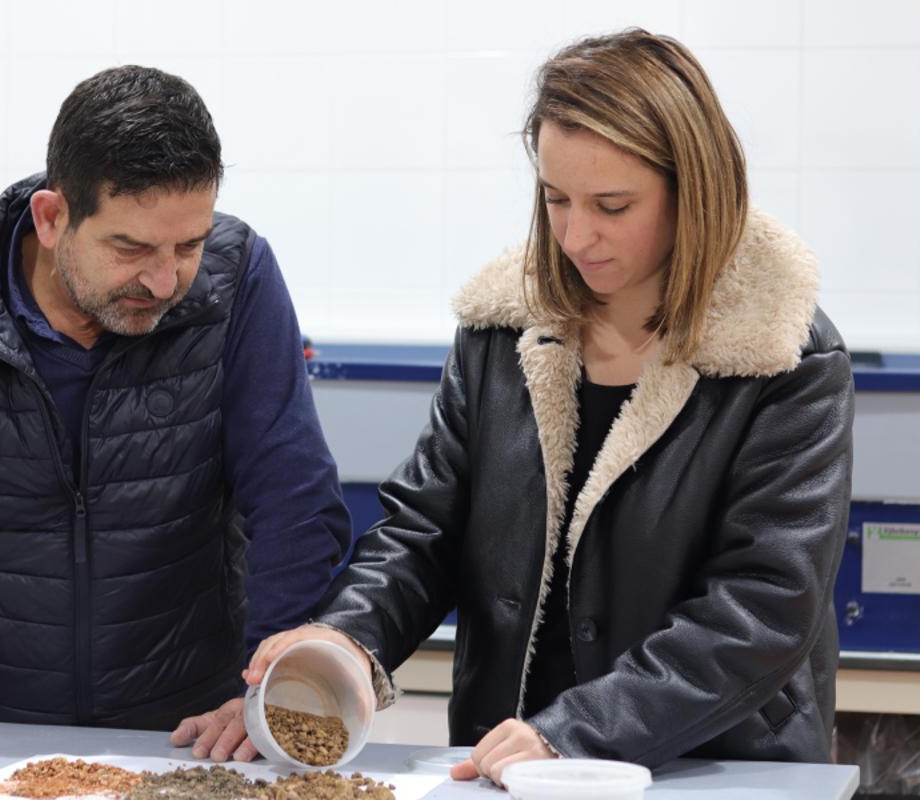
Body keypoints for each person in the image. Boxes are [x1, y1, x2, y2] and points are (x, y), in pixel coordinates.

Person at [242, 29, 854, 784]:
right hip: (508, 765)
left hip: (708, 767)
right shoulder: (503, 331)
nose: (575, 235)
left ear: (692, 190)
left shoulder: (784, 357)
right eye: (556, 199)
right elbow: (424, 531)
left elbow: (761, 608)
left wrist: (577, 732)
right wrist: (348, 639)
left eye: (613, 205)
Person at [0, 66, 351, 741]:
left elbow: (294, 495)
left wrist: (268, 690)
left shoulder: (239, 282)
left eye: (188, 245)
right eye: (130, 247)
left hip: (187, 734)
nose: (165, 279)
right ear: (52, 219)